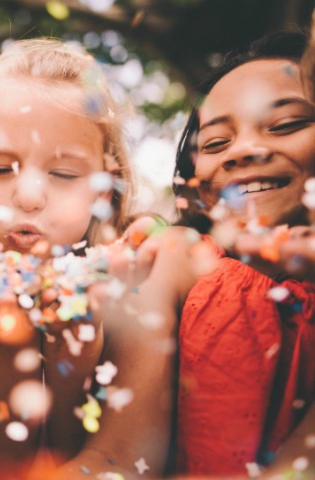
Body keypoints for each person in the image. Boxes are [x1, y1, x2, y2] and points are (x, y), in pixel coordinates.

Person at [0, 39, 177, 478]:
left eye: (62, 174)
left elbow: (121, 460)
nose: (28, 196)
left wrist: (76, 355)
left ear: (103, 185)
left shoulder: (136, 272)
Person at [142, 30, 315, 476]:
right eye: (216, 143)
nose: (243, 151)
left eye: (286, 124)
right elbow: (123, 451)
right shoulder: (177, 264)